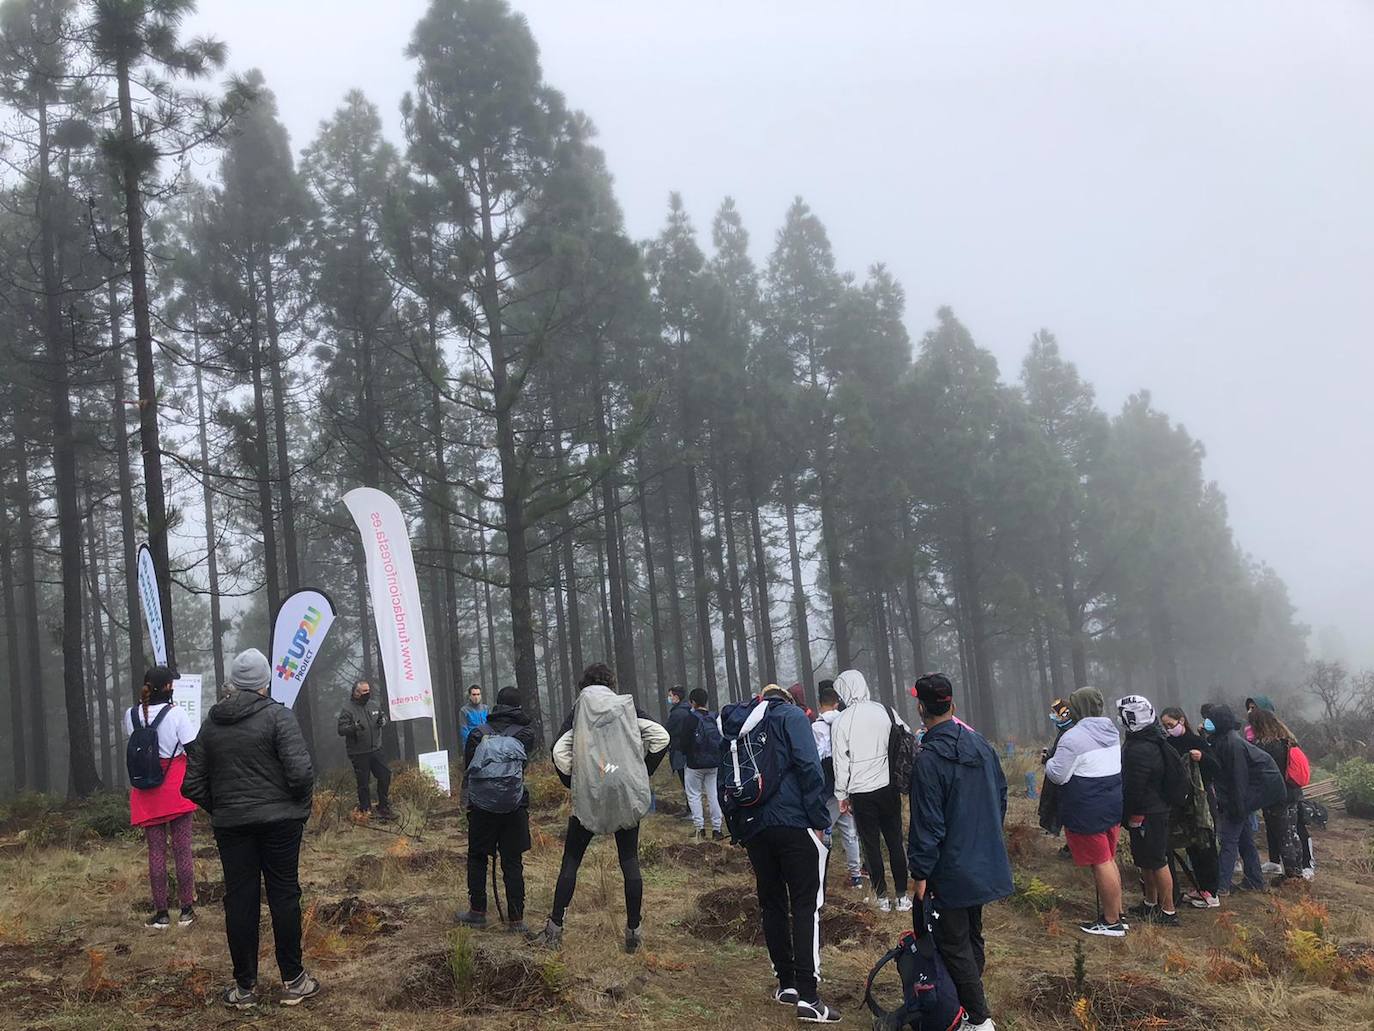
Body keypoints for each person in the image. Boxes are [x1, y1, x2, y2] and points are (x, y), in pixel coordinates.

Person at [182, 648, 319, 1009]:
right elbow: (301, 774)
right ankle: (294, 980)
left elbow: (192, 784)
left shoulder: (211, 725)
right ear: (265, 682)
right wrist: (296, 808)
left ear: (233, 682)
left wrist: (224, 807)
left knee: (240, 901)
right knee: (284, 895)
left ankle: (244, 989)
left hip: (233, 827)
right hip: (281, 825)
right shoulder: (279, 717)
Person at [724, 684, 839, 1023]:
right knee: (805, 905)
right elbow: (809, 766)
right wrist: (819, 820)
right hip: (793, 822)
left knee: (772, 902)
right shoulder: (792, 717)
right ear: (788, 700)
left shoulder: (742, 724)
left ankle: (786, 984)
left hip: (754, 826)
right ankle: (809, 997)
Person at [537, 662, 669, 953]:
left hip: (591, 788)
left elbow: (559, 751)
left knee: (571, 860)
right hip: (625, 788)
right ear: (611, 683)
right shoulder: (625, 706)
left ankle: (554, 929)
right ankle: (633, 932)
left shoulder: (579, 710)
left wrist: (573, 781)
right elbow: (661, 736)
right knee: (629, 860)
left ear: (583, 684)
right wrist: (642, 771)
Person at [907, 674, 1012, 1031]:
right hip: (980, 860)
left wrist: (920, 873)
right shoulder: (981, 745)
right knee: (970, 934)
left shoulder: (927, 761)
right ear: (952, 704)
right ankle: (966, 1003)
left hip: (950, 867)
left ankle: (978, 1020)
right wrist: (985, 835)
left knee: (953, 942)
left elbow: (928, 825)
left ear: (921, 708)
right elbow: (1000, 795)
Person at [1043, 688, 1126, 937]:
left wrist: (1048, 761)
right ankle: (1117, 913)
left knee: (1101, 863)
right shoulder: (1110, 730)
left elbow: (1058, 775)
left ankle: (1111, 922)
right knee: (1108, 860)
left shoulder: (1073, 737)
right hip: (1111, 803)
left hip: (1087, 808)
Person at [457, 686, 540, 932]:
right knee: (512, 861)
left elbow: (469, 769)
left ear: (496, 704)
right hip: (514, 805)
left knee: (477, 857)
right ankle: (516, 919)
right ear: (518, 706)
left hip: (481, 807)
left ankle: (477, 912)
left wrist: (467, 802)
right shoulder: (525, 734)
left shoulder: (477, 734)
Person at [125, 666, 200, 930]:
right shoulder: (177, 713)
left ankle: (161, 914)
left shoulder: (131, 714)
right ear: (168, 687)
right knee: (182, 849)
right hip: (175, 787)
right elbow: (193, 750)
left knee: (156, 851)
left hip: (146, 789)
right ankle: (186, 911)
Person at [832, 669, 912, 913]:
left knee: (871, 845)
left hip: (860, 792)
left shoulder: (842, 721)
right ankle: (902, 896)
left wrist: (841, 795)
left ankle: (881, 897)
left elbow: (840, 762)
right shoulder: (885, 710)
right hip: (888, 786)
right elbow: (907, 734)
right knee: (895, 841)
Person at [1203, 703, 1285, 895]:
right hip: (1251, 790)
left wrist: (1237, 806)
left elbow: (1238, 778)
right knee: (1245, 838)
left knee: (1229, 839)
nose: (1207, 723)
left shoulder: (1233, 744)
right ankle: (1255, 880)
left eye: (1211, 719)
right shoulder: (1224, 740)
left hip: (1257, 789)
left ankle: (1221, 885)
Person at [1117, 695, 1181, 927]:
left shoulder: (1140, 748)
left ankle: (1168, 910)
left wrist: (1125, 813)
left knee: (1156, 860)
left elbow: (1134, 786)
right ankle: (1150, 903)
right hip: (1150, 809)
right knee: (1145, 859)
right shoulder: (1151, 739)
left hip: (1148, 812)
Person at [1160, 708, 1222, 907]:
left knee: (1206, 843)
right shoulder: (1168, 744)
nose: (1168, 729)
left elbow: (1216, 767)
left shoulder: (1197, 742)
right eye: (1165, 726)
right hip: (1182, 803)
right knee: (1192, 845)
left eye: (1171, 725)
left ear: (1181, 721)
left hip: (1201, 799)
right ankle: (1200, 887)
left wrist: (1202, 757)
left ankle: (1211, 890)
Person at [812, 683, 863, 889]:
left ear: (820, 703)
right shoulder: (847, 723)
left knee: (823, 827)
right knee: (850, 832)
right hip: (848, 784)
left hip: (827, 787)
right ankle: (856, 876)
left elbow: (814, 758)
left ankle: (820, 869)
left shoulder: (815, 727)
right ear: (836, 703)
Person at [1248, 707, 1305, 882]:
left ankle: (1291, 875)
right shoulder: (1288, 741)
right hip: (1293, 792)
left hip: (1276, 797)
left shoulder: (1264, 746)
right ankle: (1298, 870)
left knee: (1282, 836)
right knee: (1292, 833)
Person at [336, 680, 393, 819]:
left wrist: (383, 721)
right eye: (364, 691)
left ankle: (383, 806)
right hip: (359, 752)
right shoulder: (347, 709)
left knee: (385, 775)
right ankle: (365, 810)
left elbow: (383, 716)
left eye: (368, 691)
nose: (367, 694)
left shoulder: (373, 704)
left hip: (376, 749)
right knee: (363, 782)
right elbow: (341, 730)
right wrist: (354, 727)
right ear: (356, 692)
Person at [676, 688, 724, 841]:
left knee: (694, 795)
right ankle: (717, 829)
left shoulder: (690, 719)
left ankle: (699, 829)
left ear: (693, 702)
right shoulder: (715, 717)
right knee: (714, 795)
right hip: (714, 763)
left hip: (694, 764)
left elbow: (683, 743)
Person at [1037, 698, 1074, 840]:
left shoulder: (1069, 732)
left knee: (1056, 802)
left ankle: (1053, 830)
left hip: (1060, 777)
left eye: (1056, 713)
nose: (1053, 716)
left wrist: (1049, 759)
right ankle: (1050, 828)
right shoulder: (1063, 731)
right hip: (1054, 773)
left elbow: (1063, 756)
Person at [665, 685, 692, 789]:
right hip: (690, 751)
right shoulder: (689, 710)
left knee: (686, 782)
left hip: (679, 751)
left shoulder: (677, 713)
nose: (669, 698)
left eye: (670, 695)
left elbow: (667, 730)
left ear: (676, 697)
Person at [460, 684, 488, 749]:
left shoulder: (486, 708)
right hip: (471, 745)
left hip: (485, 744)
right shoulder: (464, 710)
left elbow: (489, 725)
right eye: (474, 694)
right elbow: (464, 730)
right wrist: (473, 742)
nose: (476, 697)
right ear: (470, 696)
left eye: (478, 694)